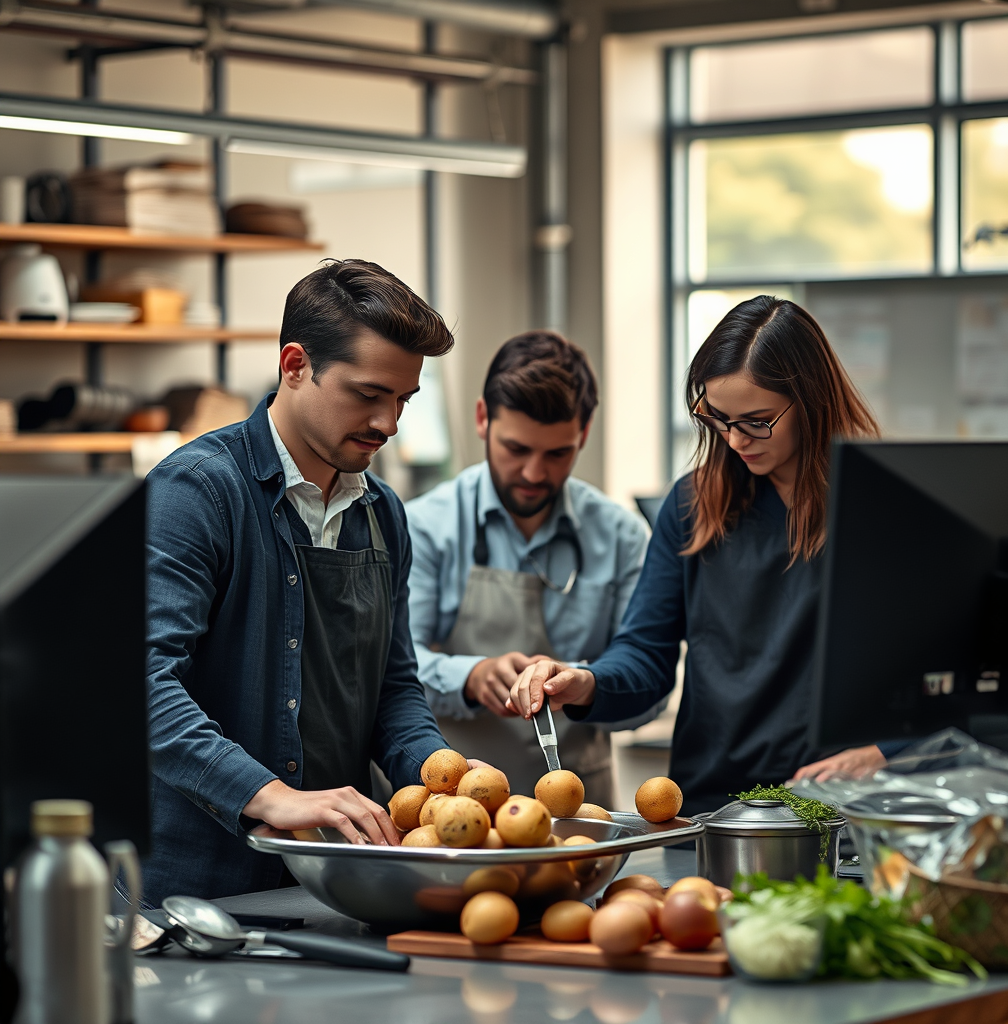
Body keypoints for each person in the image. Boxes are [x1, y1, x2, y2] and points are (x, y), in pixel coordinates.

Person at [506, 296, 903, 814]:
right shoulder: (693, 504)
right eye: (718, 418)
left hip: (843, 812)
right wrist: (586, 681)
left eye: (757, 421)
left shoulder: (887, 507)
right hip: (715, 810)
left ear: (811, 401)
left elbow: (956, 684)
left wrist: (884, 753)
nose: (735, 439)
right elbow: (646, 656)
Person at [144, 259, 457, 902]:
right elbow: (142, 684)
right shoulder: (198, 491)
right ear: (294, 365)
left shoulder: (382, 514)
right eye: (368, 394)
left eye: (402, 399)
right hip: (200, 894)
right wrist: (270, 796)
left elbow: (391, 690)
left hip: (335, 886)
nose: (388, 423)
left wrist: (442, 776)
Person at [405, 331, 652, 803]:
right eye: (516, 449)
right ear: (482, 419)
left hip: (579, 816)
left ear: (584, 431)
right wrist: (470, 677)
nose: (535, 473)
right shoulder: (424, 525)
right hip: (457, 808)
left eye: (557, 453)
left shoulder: (622, 536)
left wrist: (585, 686)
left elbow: (650, 689)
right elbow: (393, 671)